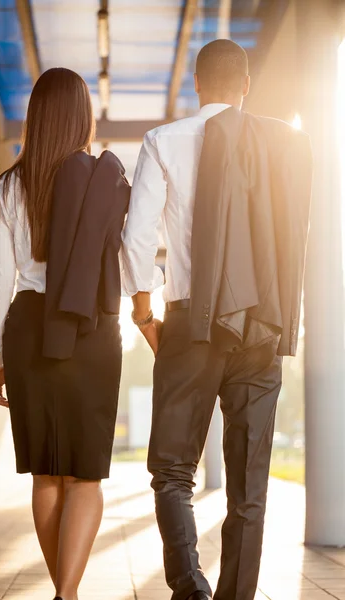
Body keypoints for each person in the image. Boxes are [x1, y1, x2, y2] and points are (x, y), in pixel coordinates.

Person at [121, 39, 312, 600]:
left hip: (189, 323)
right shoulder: (284, 145)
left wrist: (144, 312)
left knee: (173, 471)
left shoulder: (165, 141)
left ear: (197, 83)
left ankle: (190, 588)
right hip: (264, 327)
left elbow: (137, 241)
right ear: (246, 86)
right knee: (250, 487)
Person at [0, 68, 130, 600]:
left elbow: (1, 279)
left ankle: (64, 595)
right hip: (91, 329)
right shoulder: (104, 180)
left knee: (47, 476)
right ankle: (66, 595)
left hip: (29, 330)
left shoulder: (9, 186)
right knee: (85, 477)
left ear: (36, 118)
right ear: (83, 117)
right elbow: (124, 258)